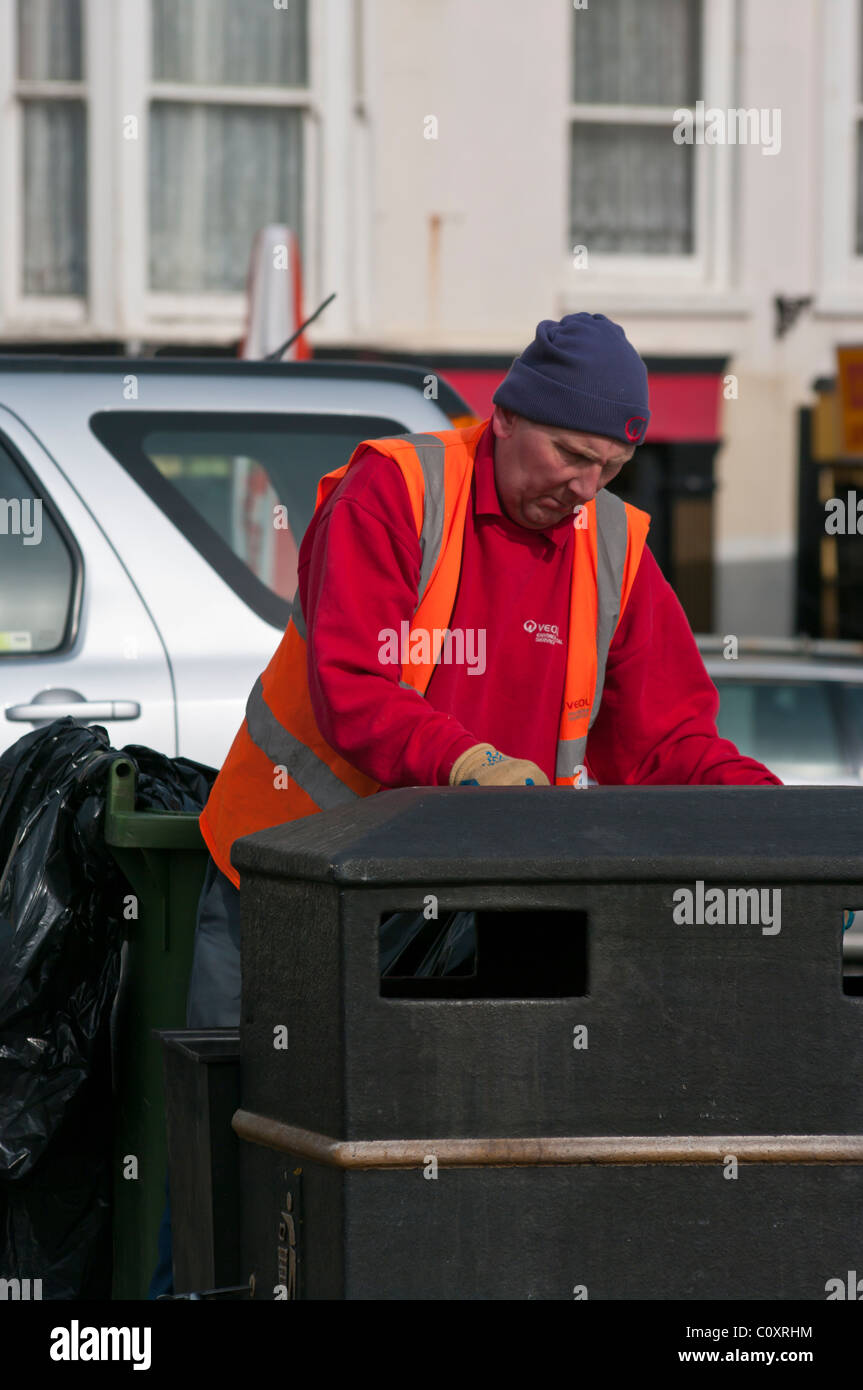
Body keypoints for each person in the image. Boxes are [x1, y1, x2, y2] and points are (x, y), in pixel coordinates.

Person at [190, 309, 783, 1027]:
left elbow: (665, 743)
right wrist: (470, 761)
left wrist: (777, 815)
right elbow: (355, 687)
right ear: (503, 418)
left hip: (477, 892)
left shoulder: (614, 546)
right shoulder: (393, 490)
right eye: (568, 454)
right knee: (249, 1111)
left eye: (611, 467)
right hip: (298, 877)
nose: (586, 487)